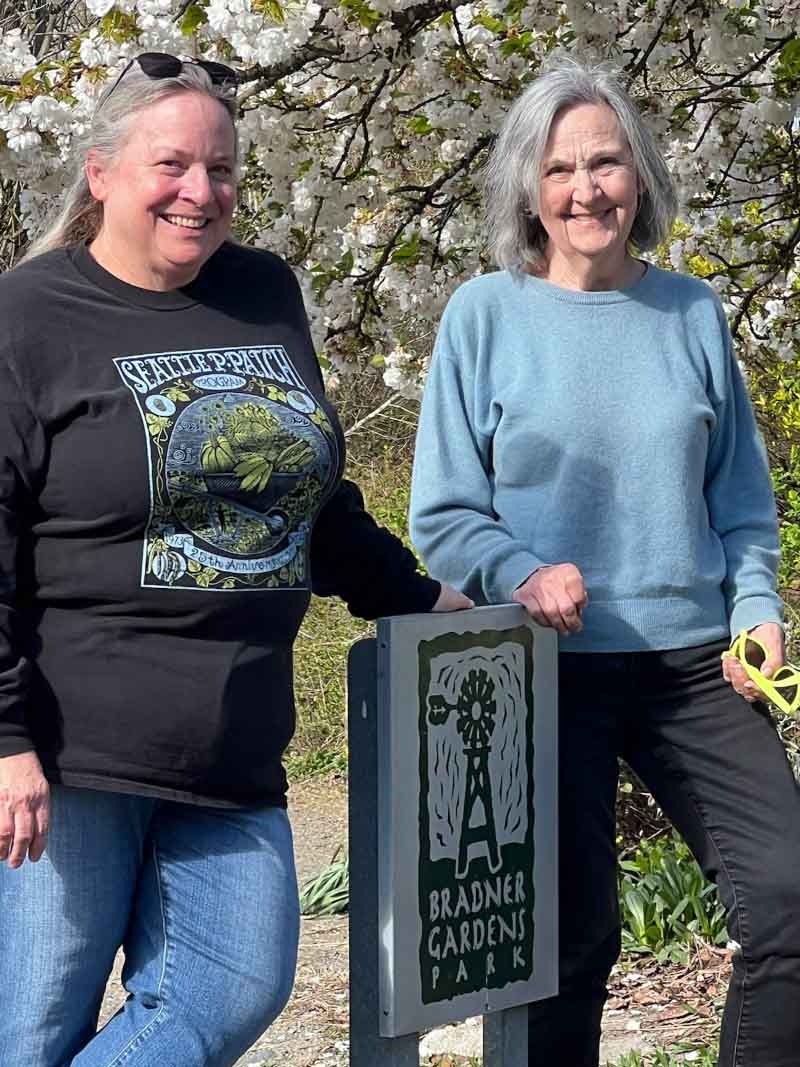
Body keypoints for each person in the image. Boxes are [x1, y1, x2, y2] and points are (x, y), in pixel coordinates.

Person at [0, 53, 470, 1067]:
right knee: (29, 1033)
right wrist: (4, 743)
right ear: (101, 172)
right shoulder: (28, 315)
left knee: (234, 985)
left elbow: (309, 495)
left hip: (236, 746)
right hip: (69, 757)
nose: (199, 192)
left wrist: (419, 593)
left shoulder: (261, 291)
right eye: (172, 164)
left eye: (221, 171)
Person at [409, 53, 800, 1067]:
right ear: (526, 192)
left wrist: (756, 604)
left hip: (693, 664)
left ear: (639, 176)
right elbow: (443, 515)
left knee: (788, 905)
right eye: (558, 170)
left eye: (605, 163)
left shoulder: (690, 312)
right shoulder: (482, 316)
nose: (585, 190)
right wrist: (520, 568)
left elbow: (741, 504)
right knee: (575, 941)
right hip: (544, 665)